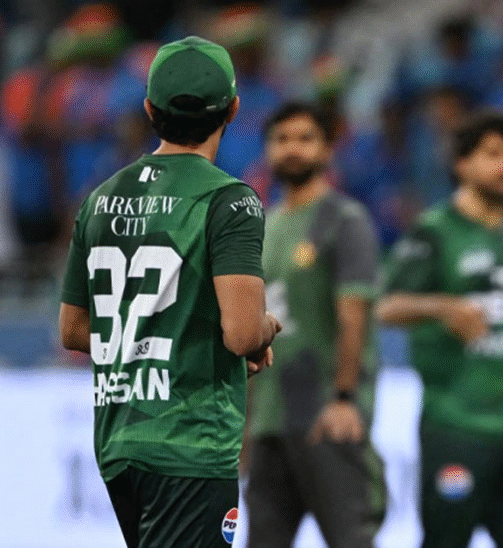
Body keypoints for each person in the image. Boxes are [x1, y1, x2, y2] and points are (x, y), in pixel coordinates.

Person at [58, 36, 280, 548]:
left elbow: (73, 329)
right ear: (234, 109)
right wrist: (266, 327)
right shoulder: (230, 201)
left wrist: (166, 340)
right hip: (190, 441)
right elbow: (243, 334)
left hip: (119, 441)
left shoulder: (100, 199)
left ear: (149, 110)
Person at [377, 111, 503, 548]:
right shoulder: (435, 232)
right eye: (494, 154)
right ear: (462, 164)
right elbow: (385, 306)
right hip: (456, 427)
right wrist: (443, 307)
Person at [244, 102, 386, 548]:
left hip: (326, 416)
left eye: (305, 139)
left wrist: (344, 398)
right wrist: (246, 425)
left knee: (351, 540)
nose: (293, 149)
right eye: (281, 139)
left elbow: (353, 315)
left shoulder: (344, 221)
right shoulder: (263, 227)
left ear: (327, 149)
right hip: (269, 421)